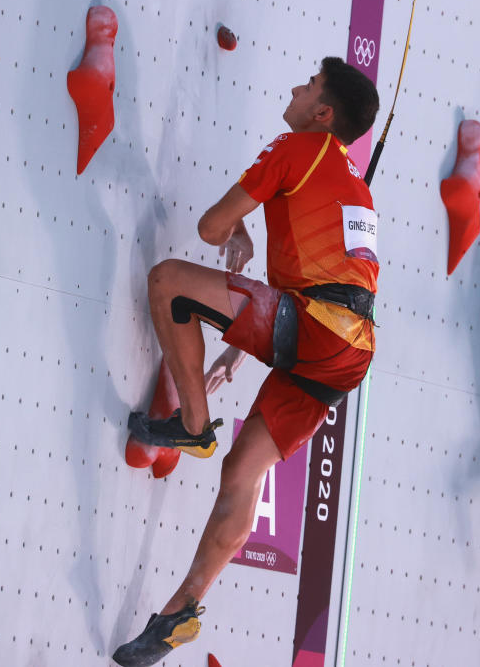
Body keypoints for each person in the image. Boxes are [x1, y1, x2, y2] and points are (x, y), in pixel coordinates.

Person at [112, 56, 380, 667]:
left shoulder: (296, 146)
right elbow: (331, 286)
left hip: (315, 328)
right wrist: (242, 344)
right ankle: (179, 614)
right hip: (349, 353)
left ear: (323, 112)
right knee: (242, 473)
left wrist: (235, 226)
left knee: (167, 282)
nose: (294, 87)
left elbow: (209, 228)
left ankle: (192, 425)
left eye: (308, 84)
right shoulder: (349, 180)